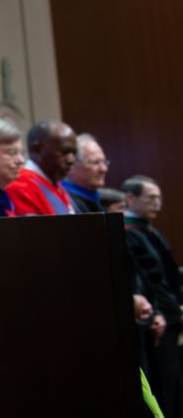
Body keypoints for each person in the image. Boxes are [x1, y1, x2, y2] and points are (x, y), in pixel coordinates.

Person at [122, 175, 182, 418]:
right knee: (163, 388)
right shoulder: (128, 232)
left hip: (169, 319)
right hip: (155, 324)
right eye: (151, 198)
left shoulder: (149, 229)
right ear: (130, 198)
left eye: (159, 197)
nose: (157, 203)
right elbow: (147, 281)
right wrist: (158, 311)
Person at [6, 120, 77, 216]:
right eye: (64, 152)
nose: (71, 160)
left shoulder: (55, 183)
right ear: (37, 149)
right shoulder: (20, 186)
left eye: (74, 153)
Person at [62, 133, 109, 213]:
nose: (104, 169)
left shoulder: (94, 198)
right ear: (72, 165)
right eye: (95, 162)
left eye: (104, 162)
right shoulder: (65, 204)